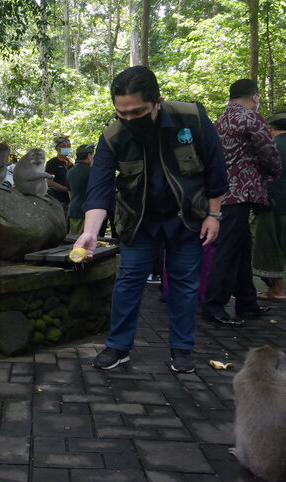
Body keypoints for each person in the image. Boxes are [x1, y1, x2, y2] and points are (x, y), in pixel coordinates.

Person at [72, 65, 228, 373]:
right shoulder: (113, 136)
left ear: (157, 101)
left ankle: (182, 349)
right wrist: (90, 232)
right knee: (129, 281)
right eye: (122, 113)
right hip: (138, 220)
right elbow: (99, 188)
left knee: (183, 284)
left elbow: (216, 167)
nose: (129, 119)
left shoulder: (191, 118)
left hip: (186, 217)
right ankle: (118, 346)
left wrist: (214, 214)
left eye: (137, 112)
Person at [202, 79, 282, 327]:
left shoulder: (219, 121)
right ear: (255, 97)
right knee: (227, 251)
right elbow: (269, 152)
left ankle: (247, 302)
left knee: (241, 249)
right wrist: (273, 173)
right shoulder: (250, 118)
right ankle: (213, 305)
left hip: (220, 193)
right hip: (240, 194)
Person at [252, 111, 286, 300]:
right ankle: (277, 287)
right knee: (284, 243)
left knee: (270, 245)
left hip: (275, 201)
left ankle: (276, 290)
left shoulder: (271, 146)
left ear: (271, 128)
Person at [66, 143, 95, 235]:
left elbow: (69, 193)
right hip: (87, 212)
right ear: (89, 156)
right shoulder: (92, 171)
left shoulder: (70, 172)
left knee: (74, 241)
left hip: (73, 210)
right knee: (85, 243)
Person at [45, 135, 74, 220]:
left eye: (68, 146)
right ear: (57, 148)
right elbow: (49, 182)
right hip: (57, 201)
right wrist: (66, 189)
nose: (66, 148)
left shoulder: (71, 164)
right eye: (63, 146)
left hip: (70, 201)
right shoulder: (53, 162)